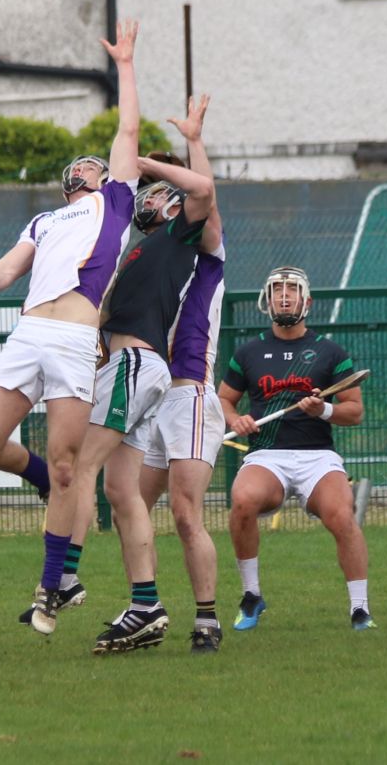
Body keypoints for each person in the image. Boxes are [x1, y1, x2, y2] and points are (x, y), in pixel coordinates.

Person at [0, 20, 143, 636]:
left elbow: (129, 130)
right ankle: (35, 478)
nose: (91, 167)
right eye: (83, 166)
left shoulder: (115, 203)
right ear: (69, 181)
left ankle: (53, 585)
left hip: (72, 341)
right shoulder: (44, 221)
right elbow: (8, 269)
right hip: (28, 334)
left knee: (68, 466)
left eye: (97, 164)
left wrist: (127, 66)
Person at [78, 153, 218, 654]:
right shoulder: (138, 250)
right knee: (122, 493)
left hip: (162, 375)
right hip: (135, 374)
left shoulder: (185, 237)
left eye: (158, 189)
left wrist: (140, 159)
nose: (148, 195)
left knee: (83, 468)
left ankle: (62, 577)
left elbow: (202, 188)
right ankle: (144, 606)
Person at [219, 267, 373, 631]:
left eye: (292, 290)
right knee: (242, 501)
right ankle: (252, 596)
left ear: (307, 301)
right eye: (277, 290)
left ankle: (360, 609)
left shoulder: (330, 352)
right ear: (267, 300)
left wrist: (325, 409)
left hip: (317, 456)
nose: (284, 296)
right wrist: (234, 420)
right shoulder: (248, 351)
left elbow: (355, 412)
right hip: (265, 456)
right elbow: (224, 400)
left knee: (341, 514)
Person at [128, 95, 227, 653]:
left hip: (188, 394)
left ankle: (207, 619)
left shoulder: (206, 246)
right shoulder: (153, 254)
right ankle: (144, 608)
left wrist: (191, 140)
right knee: (131, 507)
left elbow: (204, 194)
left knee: (186, 515)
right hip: (150, 397)